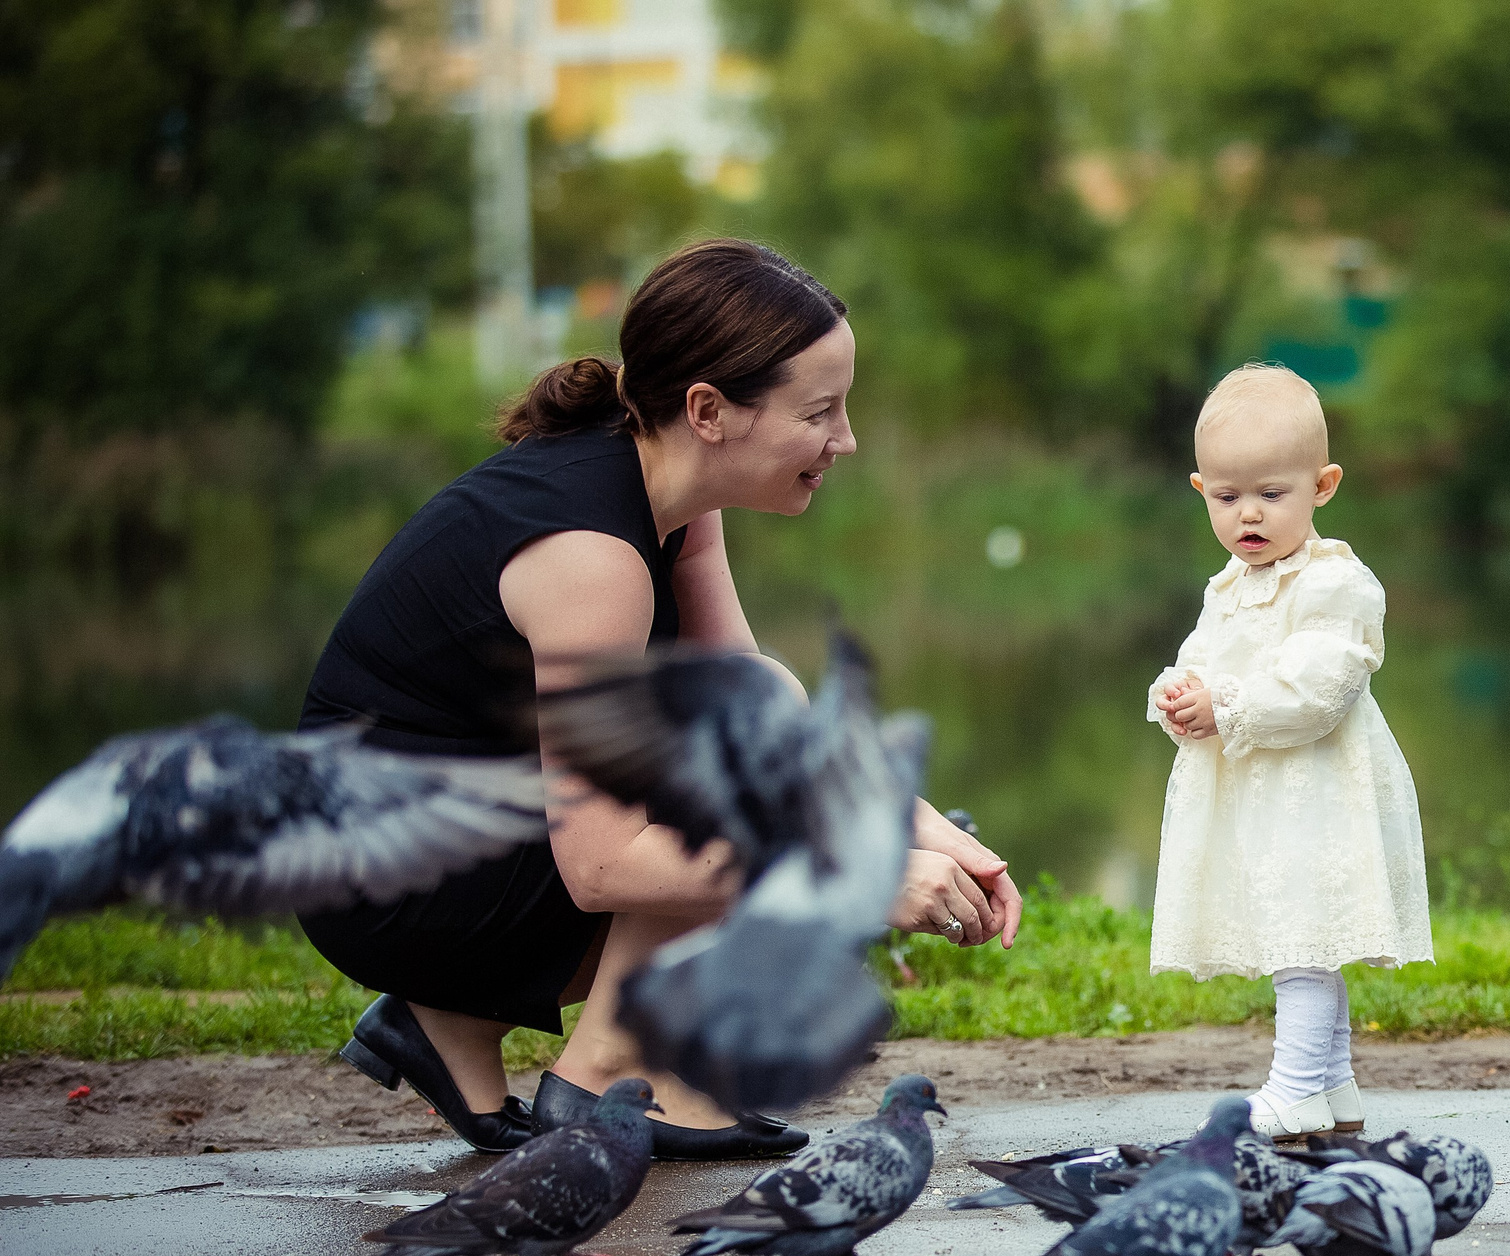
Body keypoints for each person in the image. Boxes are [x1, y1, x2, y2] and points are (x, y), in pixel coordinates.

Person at [300, 240, 1021, 1159]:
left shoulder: (668, 486)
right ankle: (607, 1075)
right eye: (820, 412)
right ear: (710, 411)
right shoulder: (588, 556)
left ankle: (446, 1023)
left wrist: (935, 835)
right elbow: (602, 868)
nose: (847, 440)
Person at [1147, 364, 1431, 1141]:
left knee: (1306, 931)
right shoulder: (1229, 584)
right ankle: (1333, 1083)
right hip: (1262, 791)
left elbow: (1320, 685)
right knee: (1298, 928)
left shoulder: (1335, 582)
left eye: (1272, 495)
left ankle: (1298, 1083)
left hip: (1316, 790)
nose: (1249, 515)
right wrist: (1181, 698)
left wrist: (1230, 706)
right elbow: (1201, 656)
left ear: (1323, 485)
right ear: (1201, 488)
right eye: (1227, 496)